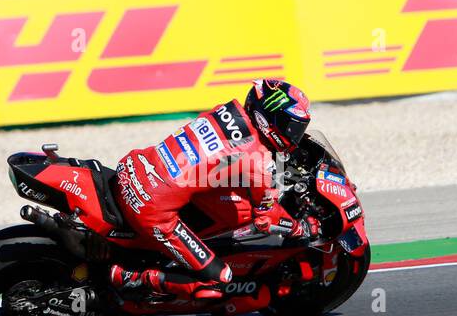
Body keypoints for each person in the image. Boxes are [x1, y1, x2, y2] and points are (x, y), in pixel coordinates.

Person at [109, 79, 316, 299]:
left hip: (133, 166)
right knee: (219, 280)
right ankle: (130, 276)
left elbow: (215, 161)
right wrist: (299, 228)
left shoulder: (225, 111)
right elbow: (266, 219)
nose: (295, 136)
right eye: (292, 127)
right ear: (269, 118)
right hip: (151, 206)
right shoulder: (259, 159)